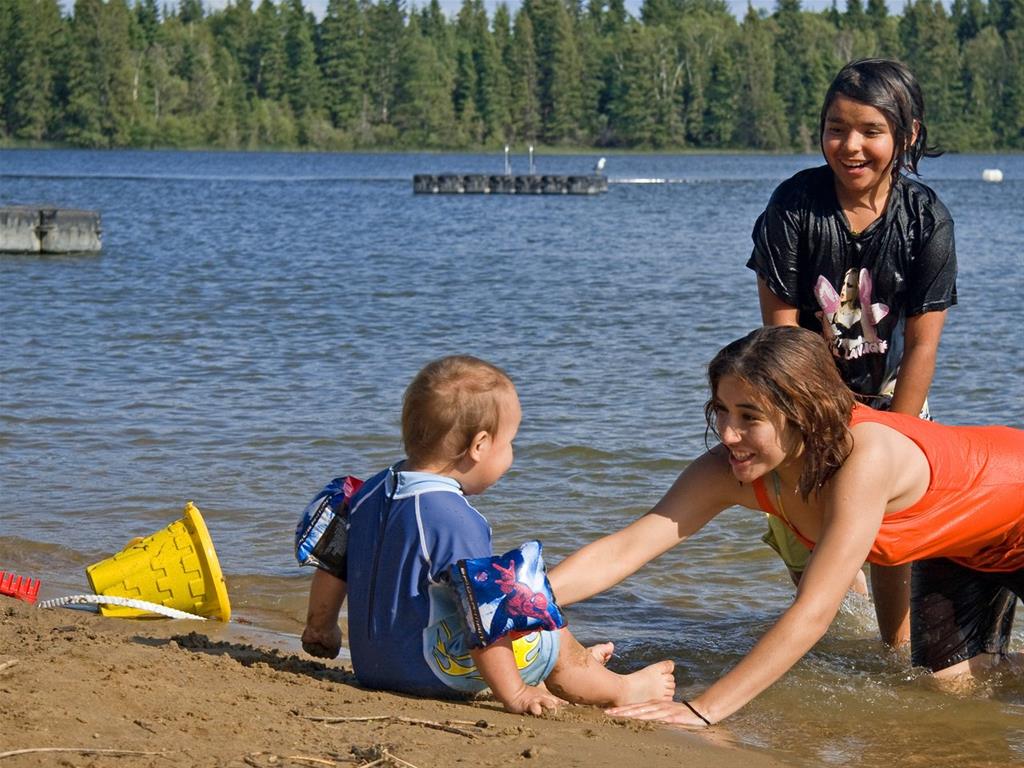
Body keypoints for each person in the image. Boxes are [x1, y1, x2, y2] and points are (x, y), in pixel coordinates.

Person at [548, 326, 1022, 727]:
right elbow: (627, 547)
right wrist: (516, 598)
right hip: (963, 545)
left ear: (805, 413)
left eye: (749, 417)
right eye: (721, 410)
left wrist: (703, 709)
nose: (729, 434)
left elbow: (814, 611)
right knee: (953, 686)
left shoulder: (865, 458)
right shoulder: (732, 468)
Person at [300, 355, 675, 715]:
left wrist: (322, 627)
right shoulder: (454, 520)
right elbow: (482, 619)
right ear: (479, 446)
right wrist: (515, 694)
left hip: (374, 667)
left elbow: (334, 567)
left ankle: (568, 674)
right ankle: (621, 689)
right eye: (510, 441)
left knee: (518, 632)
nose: (511, 452)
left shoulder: (368, 494)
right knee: (540, 617)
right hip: (428, 673)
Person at [747, 58, 958, 647]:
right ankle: (831, 635)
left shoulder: (925, 219)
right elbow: (782, 336)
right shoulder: (793, 207)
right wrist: (817, 423)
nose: (851, 146)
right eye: (836, 128)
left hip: (895, 395)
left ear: (907, 134)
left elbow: (921, 343)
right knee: (804, 535)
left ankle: (895, 650)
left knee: (893, 535)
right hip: (801, 390)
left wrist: (897, 434)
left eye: (870, 130)